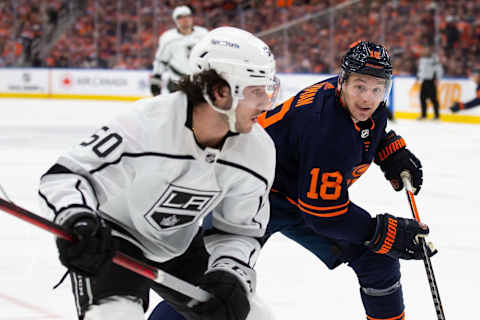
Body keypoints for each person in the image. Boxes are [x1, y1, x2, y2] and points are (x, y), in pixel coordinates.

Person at [149, 41, 437, 320]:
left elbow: (370, 127)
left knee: (377, 260)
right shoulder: (326, 130)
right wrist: (382, 231)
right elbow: (324, 215)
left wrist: (388, 150)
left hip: (301, 193)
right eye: (360, 86)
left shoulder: (354, 102)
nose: (367, 98)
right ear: (342, 82)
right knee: (216, 283)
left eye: (378, 89)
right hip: (252, 192)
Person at [39, 26, 279, 320]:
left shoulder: (258, 150)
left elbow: (240, 230)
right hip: (114, 236)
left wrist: (229, 272)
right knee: (117, 315)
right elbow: (68, 177)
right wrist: (77, 218)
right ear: (220, 91)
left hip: (178, 241)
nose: (266, 104)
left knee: (253, 316)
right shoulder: (145, 124)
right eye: (257, 92)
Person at [150, 5, 208, 96]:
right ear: (175, 20)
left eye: (187, 16)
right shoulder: (168, 38)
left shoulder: (203, 34)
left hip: (199, 81)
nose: (185, 19)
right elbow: (161, 60)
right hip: (177, 81)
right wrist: (156, 80)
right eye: (180, 17)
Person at [416, 45, 443, 120]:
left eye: (426, 49)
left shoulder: (434, 59)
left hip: (431, 81)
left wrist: (438, 78)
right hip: (424, 81)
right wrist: (419, 78)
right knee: (422, 98)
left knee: (433, 99)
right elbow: (421, 70)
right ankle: (424, 115)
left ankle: (437, 116)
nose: (425, 51)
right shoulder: (422, 59)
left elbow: (438, 69)